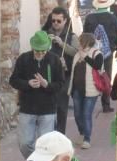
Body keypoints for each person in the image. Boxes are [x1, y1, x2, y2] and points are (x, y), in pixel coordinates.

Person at [11, 32, 65, 160]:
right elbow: (13, 80)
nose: (40, 54)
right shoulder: (23, 59)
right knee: (24, 143)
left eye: (43, 51)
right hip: (27, 108)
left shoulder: (55, 60)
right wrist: (27, 83)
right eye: (37, 51)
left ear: (47, 49)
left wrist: (47, 85)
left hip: (48, 109)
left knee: (45, 145)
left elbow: (61, 84)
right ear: (32, 47)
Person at [44, 7, 79, 137]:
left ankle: (60, 136)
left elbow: (77, 53)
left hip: (65, 76)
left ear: (65, 21)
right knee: (48, 106)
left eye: (59, 21)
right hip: (48, 75)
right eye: (53, 21)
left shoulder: (72, 36)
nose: (55, 23)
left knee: (61, 107)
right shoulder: (45, 34)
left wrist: (62, 44)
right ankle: (49, 135)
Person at [86, 0, 117, 113]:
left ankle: (90, 98)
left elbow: (85, 34)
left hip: (92, 51)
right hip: (108, 52)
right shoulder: (113, 18)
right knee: (107, 76)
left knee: (91, 74)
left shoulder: (89, 18)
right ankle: (106, 104)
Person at [71, 33, 106, 149]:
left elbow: (98, 66)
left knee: (86, 114)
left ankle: (87, 138)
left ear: (86, 42)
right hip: (77, 89)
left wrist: (85, 57)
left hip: (91, 89)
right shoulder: (77, 54)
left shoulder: (97, 53)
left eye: (80, 41)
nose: (78, 43)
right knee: (77, 113)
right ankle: (82, 132)